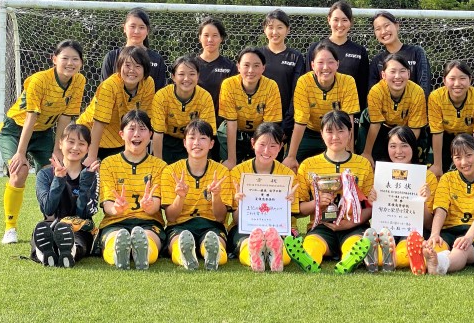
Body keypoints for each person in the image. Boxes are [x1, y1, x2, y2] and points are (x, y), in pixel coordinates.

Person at [0, 40, 86, 244]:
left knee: (54, 172)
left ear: (81, 63)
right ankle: (10, 228)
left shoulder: (79, 81)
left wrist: (58, 150)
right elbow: (30, 118)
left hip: (44, 132)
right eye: (65, 58)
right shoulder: (39, 80)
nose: (70, 63)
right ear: (54, 59)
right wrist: (20, 153)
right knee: (19, 171)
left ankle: (50, 222)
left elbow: (65, 119)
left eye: (75, 59)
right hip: (15, 130)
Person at [284, 111, 373, 274]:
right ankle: (308, 259)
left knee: (354, 244)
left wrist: (351, 224)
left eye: (341, 131)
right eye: (330, 131)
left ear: (350, 132)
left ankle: (349, 260)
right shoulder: (308, 165)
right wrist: (317, 203)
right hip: (320, 226)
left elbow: (369, 206)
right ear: (321, 134)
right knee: (312, 244)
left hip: (353, 225)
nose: (335, 137)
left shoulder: (363, 164)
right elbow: (299, 210)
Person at [422, 134, 474, 275]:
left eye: (468, 155)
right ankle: (432, 258)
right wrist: (435, 234)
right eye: (458, 158)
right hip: (449, 230)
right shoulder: (447, 178)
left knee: (461, 248)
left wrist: (469, 237)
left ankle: (441, 265)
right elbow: (441, 209)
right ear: (453, 159)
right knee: (434, 245)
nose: (464, 162)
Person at [97, 110, 166, 270]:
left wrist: (150, 207)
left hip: (149, 222)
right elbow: (107, 203)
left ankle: (144, 254)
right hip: (115, 221)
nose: (137, 134)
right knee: (115, 238)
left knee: (148, 238)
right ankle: (117, 255)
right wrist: (115, 209)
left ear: (150, 134)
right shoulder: (108, 163)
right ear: (121, 133)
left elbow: (156, 205)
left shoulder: (160, 166)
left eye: (142, 129)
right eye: (131, 129)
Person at [363, 126, 437, 274]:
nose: (398, 152)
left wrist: (423, 201)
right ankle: (380, 258)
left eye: (404, 146)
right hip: (385, 229)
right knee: (378, 239)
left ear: (413, 147)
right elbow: (375, 216)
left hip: (411, 231)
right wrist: (372, 202)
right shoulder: (379, 176)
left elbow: (428, 224)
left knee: (407, 243)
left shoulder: (427, 177)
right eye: (393, 146)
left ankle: (392, 260)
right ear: (387, 148)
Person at [160, 119, 232, 271]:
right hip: (180, 225)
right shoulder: (171, 171)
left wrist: (216, 196)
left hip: (212, 225)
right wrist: (180, 196)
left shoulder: (222, 172)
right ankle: (185, 257)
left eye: (203, 138)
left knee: (215, 242)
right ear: (184, 143)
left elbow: (220, 217)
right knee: (179, 242)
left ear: (211, 143)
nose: (197, 143)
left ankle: (212, 255)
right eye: (192, 138)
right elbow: (171, 218)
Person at [228, 123, 299, 272]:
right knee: (246, 245)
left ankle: (276, 254)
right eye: (262, 144)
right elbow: (235, 220)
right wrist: (240, 203)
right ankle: (255, 259)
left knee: (284, 252)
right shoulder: (237, 173)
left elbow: (290, 218)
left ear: (280, 148)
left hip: (279, 229)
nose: (267, 151)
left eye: (273, 146)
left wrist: (288, 205)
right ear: (253, 143)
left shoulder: (288, 176)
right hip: (246, 228)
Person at [283, 42, 360, 173]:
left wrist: (349, 155)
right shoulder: (304, 82)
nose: (325, 67)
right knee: (289, 167)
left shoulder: (348, 82)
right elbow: (300, 121)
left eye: (330, 62)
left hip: (336, 133)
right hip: (309, 132)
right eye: (320, 63)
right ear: (312, 65)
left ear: (337, 64)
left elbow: (348, 122)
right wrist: (291, 156)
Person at [32, 124, 99, 267]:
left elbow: (84, 214)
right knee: (41, 232)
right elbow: (48, 209)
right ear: (60, 143)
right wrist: (58, 180)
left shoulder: (91, 175)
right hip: (51, 224)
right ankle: (44, 254)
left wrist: (85, 184)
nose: (75, 148)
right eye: (71, 142)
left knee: (79, 240)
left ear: (87, 148)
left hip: (78, 228)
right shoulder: (44, 174)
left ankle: (70, 252)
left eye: (81, 144)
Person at [77, 46, 155, 166]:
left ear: (145, 70)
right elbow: (99, 123)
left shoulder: (148, 83)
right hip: (89, 136)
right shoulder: (109, 86)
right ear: (119, 67)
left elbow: (143, 119)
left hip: (117, 140)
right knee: (86, 178)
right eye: (127, 65)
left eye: (138, 66)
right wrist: (92, 156)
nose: (132, 70)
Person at [358, 53, 427, 167]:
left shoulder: (417, 92)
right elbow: (375, 124)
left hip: (407, 130)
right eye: (393, 71)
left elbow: (415, 128)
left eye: (402, 71)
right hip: (381, 128)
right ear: (383, 75)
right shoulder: (376, 91)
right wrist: (367, 152)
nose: (397, 76)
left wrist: (403, 152)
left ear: (409, 74)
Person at [218, 47, 282, 170]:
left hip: (260, 131)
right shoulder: (228, 85)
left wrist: (263, 151)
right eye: (246, 65)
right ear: (238, 67)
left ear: (263, 68)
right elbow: (231, 123)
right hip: (234, 131)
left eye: (256, 66)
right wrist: (231, 159)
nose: (251, 70)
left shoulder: (271, 86)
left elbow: (268, 126)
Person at [428, 60, 474, 177]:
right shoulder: (435, 98)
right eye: (452, 79)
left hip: (470, 139)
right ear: (444, 81)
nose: (457, 83)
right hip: (445, 138)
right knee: (435, 173)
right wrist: (437, 164)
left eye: (462, 78)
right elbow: (437, 133)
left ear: (470, 80)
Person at [151, 56, 216, 164]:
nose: (186, 78)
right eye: (181, 74)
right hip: (168, 142)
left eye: (192, 74)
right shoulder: (161, 96)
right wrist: (158, 163)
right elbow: (158, 133)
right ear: (173, 76)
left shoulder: (205, 97)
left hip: (194, 141)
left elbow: (206, 133)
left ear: (198, 76)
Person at [306, 1, 369, 111]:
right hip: (319, 113)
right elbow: (308, 83)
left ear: (351, 22)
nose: (340, 25)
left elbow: (362, 88)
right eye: (336, 20)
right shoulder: (315, 48)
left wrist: (357, 116)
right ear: (329, 20)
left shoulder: (359, 51)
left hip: (348, 113)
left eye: (344, 20)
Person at [258, 9, 305, 151]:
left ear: (287, 30)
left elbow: (297, 93)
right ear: (265, 29)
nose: (275, 32)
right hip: (259, 119)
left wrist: (287, 124)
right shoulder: (257, 55)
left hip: (286, 121)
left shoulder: (295, 57)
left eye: (279, 27)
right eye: (270, 27)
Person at [196, 16, 237, 160]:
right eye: (206, 35)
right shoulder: (191, 65)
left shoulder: (229, 67)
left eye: (215, 36)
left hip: (221, 128)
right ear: (200, 37)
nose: (210, 40)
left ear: (222, 38)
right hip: (195, 127)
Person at [101, 8, 168, 91]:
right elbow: (104, 91)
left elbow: (159, 94)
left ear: (148, 30)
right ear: (124, 28)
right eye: (132, 26)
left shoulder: (157, 59)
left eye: (141, 27)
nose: (136, 31)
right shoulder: (112, 57)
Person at [368, 11, 432, 96]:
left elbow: (425, 87)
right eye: (378, 29)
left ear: (397, 26)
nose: (383, 31)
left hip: (416, 107)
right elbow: (372, 94)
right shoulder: (377, 61)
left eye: (386, 25)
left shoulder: (416, 52)